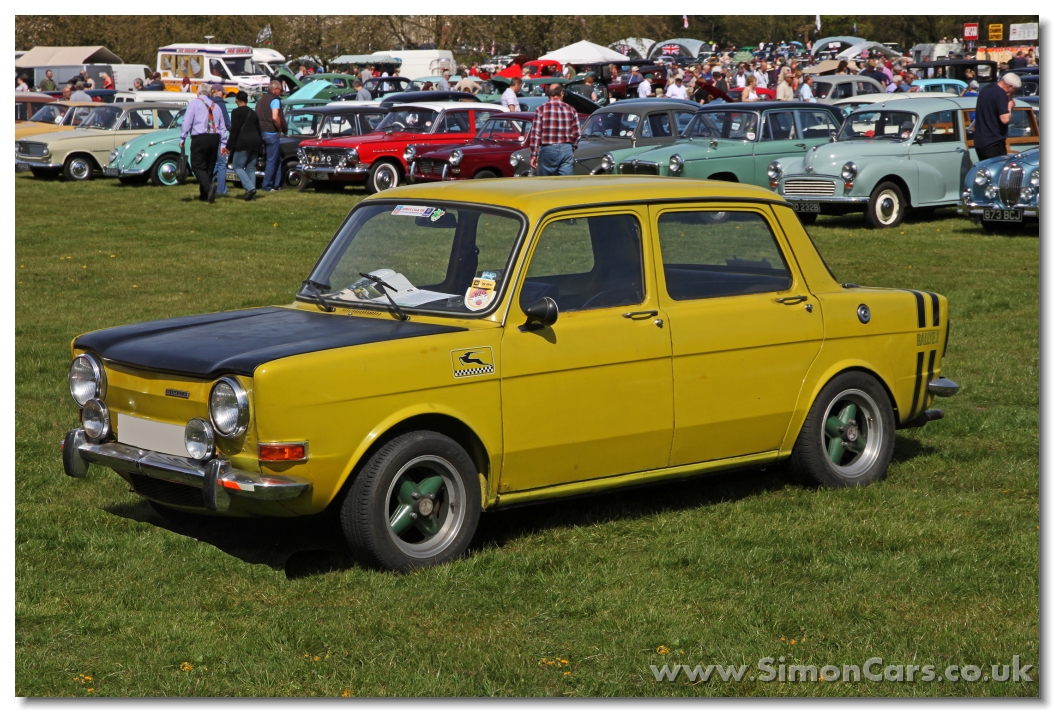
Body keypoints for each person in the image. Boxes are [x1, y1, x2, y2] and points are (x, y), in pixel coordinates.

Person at [179, 84, 228, 203]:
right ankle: (204, 195)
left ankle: (209, 187)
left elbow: (187, 121)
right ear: (209, 93)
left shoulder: (194, 103)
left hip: (200, 138)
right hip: (214, 138)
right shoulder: (216, 106)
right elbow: (222, 127)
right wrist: (223, 144)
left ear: (198, 92)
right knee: (209, 167)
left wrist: (182, 137)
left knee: (196, 166)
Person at [529, 83, 581, 176]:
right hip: (566, 148)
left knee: (546, 183)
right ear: (561, 93)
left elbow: (535, 135)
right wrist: (571, 148)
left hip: (548, 148)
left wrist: (534, 155)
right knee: (566, 183)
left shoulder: (541, 109)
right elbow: (577, 134)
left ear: (548, 94)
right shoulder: (571, 109)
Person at [974, 72, 1020, 159]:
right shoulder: (1001, 94)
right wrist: (1010, 106)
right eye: (1013, 91)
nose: (1011, 94)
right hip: (993, 142)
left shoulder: (985, 89)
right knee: (997, 170)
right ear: (1009, 86)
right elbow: (1005, 119)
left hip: (981, 141)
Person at [227, 91, 262, 201]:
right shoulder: (253, 113)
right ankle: (251, 194)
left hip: (243, 143)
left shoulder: (235, 112)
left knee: (237, 166)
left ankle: (250, 188)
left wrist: (228, 146)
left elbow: (234, 131)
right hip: (256, 142)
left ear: (237, 99)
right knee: (251, 168)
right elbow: (259, 130)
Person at [255, 79, 286, 192]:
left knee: (276, 159)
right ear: (275, 90)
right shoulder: (275, 100)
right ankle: (267, 186)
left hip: (261, 132)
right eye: (280, 90)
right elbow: (275, 117)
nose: (281, 92)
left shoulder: (261, 100)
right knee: (272, 160)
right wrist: (279, 128)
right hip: (271, 133)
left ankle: (276, 185)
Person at [210, 84, 231, 197]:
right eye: (222, 93)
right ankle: (221, 190)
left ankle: (207, 182)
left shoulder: (207, 102)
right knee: (222, 164)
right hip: (219, 136)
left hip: (208, 136)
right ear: (217, 92)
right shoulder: (220, 104)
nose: (223, 95)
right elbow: (227, 123)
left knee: (215, 163)